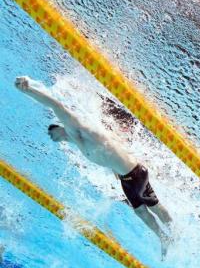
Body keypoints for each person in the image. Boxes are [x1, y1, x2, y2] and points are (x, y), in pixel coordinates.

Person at [14, 76, 175, 257]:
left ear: (60, 126)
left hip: (134, 173)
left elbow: (56, 105)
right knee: (140, 212)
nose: (52, 137)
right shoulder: (77, 141)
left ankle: (173, 232)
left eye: (52, 132)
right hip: (126, 177)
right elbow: (108, 151)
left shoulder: (79, 129)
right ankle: (164, 237)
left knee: (152, 207)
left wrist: (29, 90)